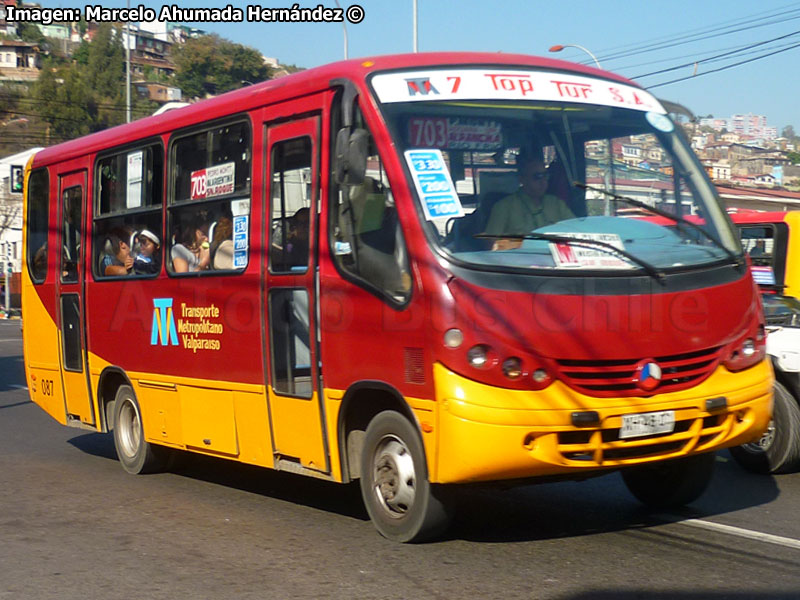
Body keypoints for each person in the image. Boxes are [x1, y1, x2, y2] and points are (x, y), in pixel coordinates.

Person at [484, 152, 574, 250]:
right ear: (522, 180)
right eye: (537, 177)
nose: (543, 181)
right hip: (517, 262)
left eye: (545, 176)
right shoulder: (504, 206)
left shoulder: (556, 204)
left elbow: (577, 231)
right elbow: (490, 244)